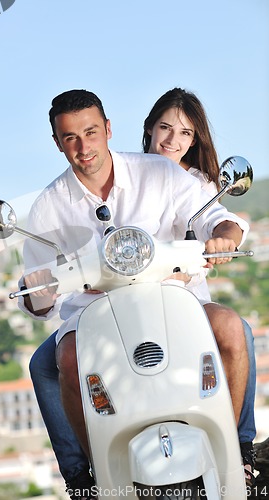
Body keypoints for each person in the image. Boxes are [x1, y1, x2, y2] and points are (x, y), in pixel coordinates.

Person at [22, 89, 251, 499]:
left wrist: (223, 235)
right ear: (57, 143)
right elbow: (39, 295)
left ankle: (235, 454)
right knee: (67, 358)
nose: (83, 146)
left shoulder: (159, 173)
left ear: (108, 129)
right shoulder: (47, 208)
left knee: (232, 328)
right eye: (70, 137)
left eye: (91, 132)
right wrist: (35, 292)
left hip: (173, 300)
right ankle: (96, 477)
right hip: (94, 316)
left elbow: (214, 215)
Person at [142, 87, 256, 485]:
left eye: (186, 133)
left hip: (183, 302)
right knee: (46, 364)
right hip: (126, 304)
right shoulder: (124, 177)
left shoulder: (197, 185)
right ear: (149, 128)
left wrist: (225, 239)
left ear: (196, 140)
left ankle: (237, 446)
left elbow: (222, 219)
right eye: (165, 128)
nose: (173, 140)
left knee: (235, 328)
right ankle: (80, 473)